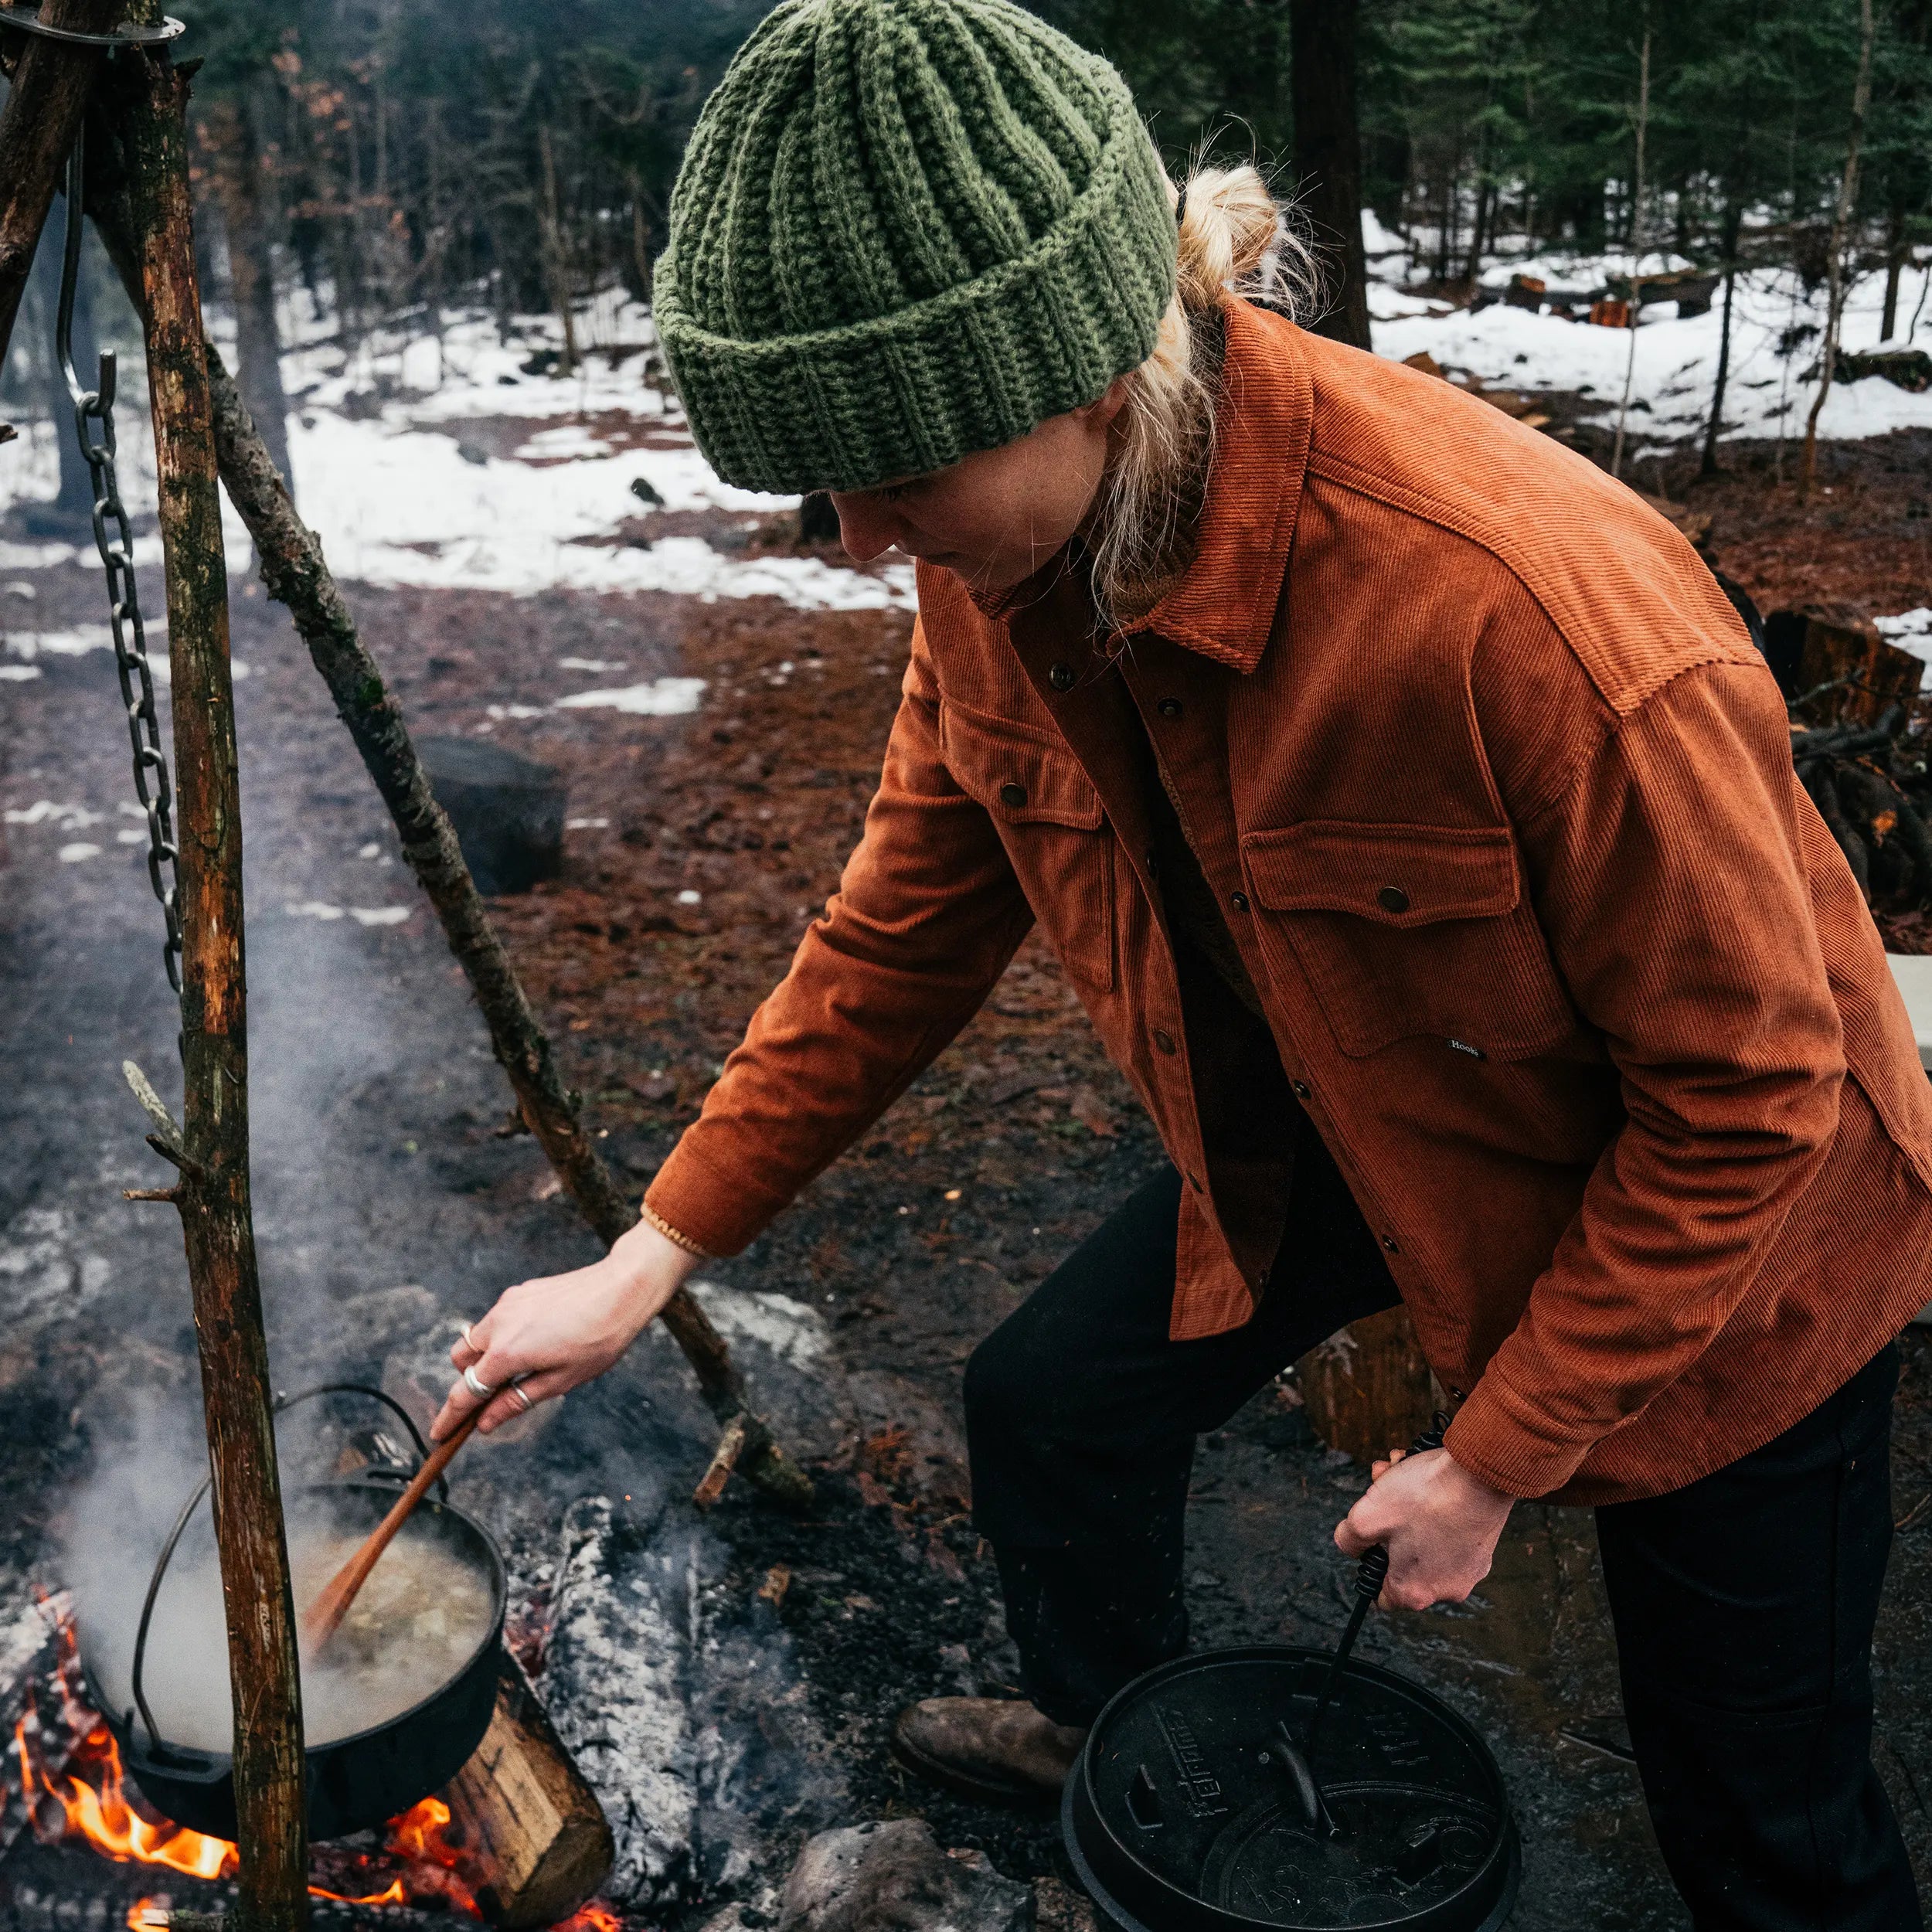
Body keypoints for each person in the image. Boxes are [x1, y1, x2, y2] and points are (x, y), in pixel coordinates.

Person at [433, 2, 1932, 1923]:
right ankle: (1119, 1728)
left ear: (1076, 376)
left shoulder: (1522, 614)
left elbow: (1747, 1100)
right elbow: (901, 918)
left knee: (1754, 1794)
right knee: (1050, 1403)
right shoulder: (994, 574)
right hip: (1352, 1118)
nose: (858, 540)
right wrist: (644, 1258)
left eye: (892, 474)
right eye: (818, 490)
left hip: (1738, 1248)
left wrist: (1482, 1458)